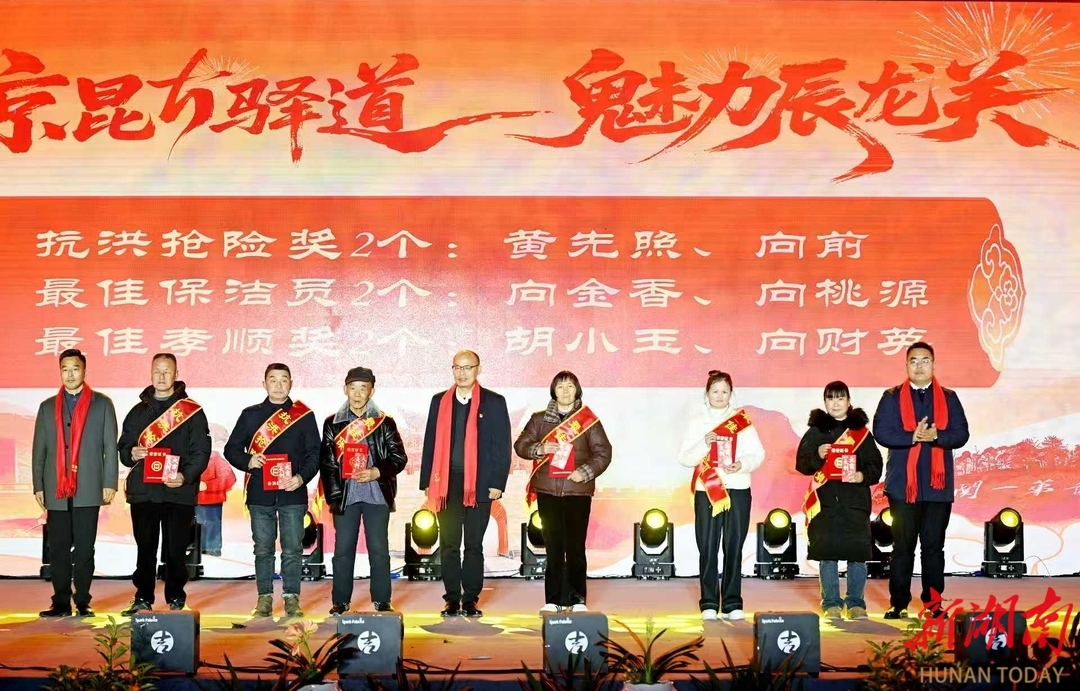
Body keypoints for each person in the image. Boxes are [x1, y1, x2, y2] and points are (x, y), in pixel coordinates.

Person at [872, 342, 969, 619]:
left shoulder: (949, 397)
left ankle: (934, 604)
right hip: (903, 486)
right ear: (906, 365)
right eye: (914, 360)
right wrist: (912, 437)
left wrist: (937, 436)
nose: (919, 366)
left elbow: (961, 434)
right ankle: (898, 603)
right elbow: (881, 432)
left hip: (938, 488)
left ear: (933, 365)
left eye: (925, 360)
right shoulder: (891, 397)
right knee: (902, 548)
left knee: (933, 548)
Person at [419, 350, 511, 618]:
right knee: (449, 544)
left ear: (478, 369)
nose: (462, 373)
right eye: (457, 367)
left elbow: (502, 445)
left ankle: (470, 598)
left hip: (480, 485)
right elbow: (430, 442)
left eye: (467, 367)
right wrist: (426, 481)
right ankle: (451, 598)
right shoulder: (439, 401)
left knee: (473, 545)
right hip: (446, 484)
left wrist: (497, 482)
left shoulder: (494, 402)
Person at [118, 353, 211, 615]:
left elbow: (201, 451)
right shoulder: (138, 412)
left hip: (178, 491)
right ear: (150, 373)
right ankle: (142, 597)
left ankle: (176, 598)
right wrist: (131, 453)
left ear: (176, 374)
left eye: (166, 371)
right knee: (145, 548)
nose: (161, 376)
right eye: (157, 371)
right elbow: (123, 448)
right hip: (143, 492)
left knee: (176, 550)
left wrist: (185, 476)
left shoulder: (191, 411)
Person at [225, 363, 320, 618]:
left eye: (283, 380)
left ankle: (291, 598)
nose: (278, 385)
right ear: (264, 383)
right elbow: (231, 449)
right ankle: (264, 598)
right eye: (273, 379)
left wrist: (301, 478)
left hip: (292, 492)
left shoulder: (303, 415)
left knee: (292, 549)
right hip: (260, 493)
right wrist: (249, 461)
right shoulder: (250, 415)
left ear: (291, 383)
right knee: (263, 548)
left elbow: (315, 453)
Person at [514, 371, 612, 614]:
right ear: (553, 390)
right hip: (548, 491)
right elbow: (520, 446)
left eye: (570, 386)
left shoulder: (588, 421)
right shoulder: (539, 419)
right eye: (560, 386)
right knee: (554, 548)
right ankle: (553, 599)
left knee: (575, 548)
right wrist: (540, 448)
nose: (565, 391)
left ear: (577, 390)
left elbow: (604, 453)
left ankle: (577, 600)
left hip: (577, 492)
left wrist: (585, 472)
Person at [31, 349, 119, 618]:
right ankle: (60, 601)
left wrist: (110, 482)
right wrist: (38, 485)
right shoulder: (47, 407)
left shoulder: (102, 404)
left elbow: (110, 446)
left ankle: (82, 600)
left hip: (88, 487)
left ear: (85, 370)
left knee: (84, 548)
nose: (70, 374)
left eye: (75, 368)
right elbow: (39, 450)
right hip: (56, 488)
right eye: (65, 369)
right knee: (57, 548)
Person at [319, 366, 408, 615]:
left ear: (372, 391)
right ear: (345, 389)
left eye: (363, 388)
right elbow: (327, 465)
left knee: (378, 550)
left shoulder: (384, 422)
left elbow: (399, 458)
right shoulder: (332, 424)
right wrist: (334, 498)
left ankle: (382, 600)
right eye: (353, 388)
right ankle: (340, 601)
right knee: (343, 551)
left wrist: (377, 472)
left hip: (376, 495)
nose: (357, 394)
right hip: (346, 496)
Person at [677, 370, 764, 622]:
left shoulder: (741, 422)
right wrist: (704, 443)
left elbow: (758, 454)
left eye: (724, 391)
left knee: (733, 546)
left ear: (731, 394)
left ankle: (733, 602)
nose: (719, 396)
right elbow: (685, 458)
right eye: (715, 391)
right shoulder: (697, 422)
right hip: (707, 492)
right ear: (707, 394)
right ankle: (709, 603)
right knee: (707, 546)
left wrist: (742, 464)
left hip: (737, 489)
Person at [796, 381, 883, 621]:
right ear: (825, 402)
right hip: (825, 502)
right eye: (831, 398)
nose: (835, 403)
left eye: (840, 398)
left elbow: (876, 465)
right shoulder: (816, 431)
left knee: (857, 555)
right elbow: (802, 464)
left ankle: (856, 603)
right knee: (828, 554)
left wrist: (862, 476)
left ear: (848, 401)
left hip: (855, 502)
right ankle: (831, 603)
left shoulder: (861, 433)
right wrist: (817, 454)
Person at [195, 424, 236, 557]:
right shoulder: (192, 458)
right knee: (195, 524)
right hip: (193, 499)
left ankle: (212, 547)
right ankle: (195, 546)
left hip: (212, 500)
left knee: (212, 523)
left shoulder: (217, 459)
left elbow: (228, 479)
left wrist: (208, 486)